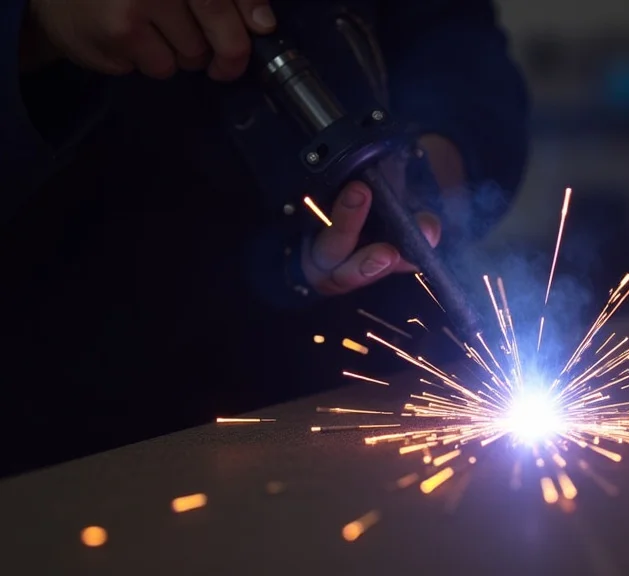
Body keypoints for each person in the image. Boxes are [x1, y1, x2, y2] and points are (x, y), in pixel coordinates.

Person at [0, 0, 528, 477]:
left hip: (358, 388)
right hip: (75, 417)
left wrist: (435, 163)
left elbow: (451, 28)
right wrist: (32, 25)